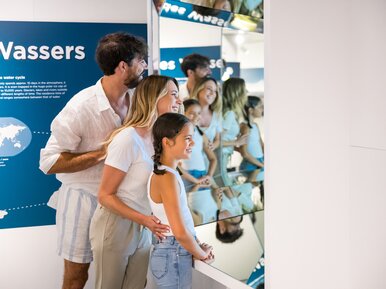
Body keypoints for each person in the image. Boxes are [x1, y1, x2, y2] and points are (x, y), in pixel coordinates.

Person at [39, 32, 148, 289]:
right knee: (77, 277)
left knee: (122, 277)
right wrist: (103, 152)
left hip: (124, 202)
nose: (144, 66)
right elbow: (48, 162)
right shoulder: (81, 107)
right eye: (141, 61)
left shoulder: (138, 102)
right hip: (83, 201)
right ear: (123, 67)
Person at [89, 75, 182, 289]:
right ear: (154, 97)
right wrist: (143, 219)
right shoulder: (127, 139)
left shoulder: (160, 141)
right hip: (116, 224)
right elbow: (105, 195)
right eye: (174, 95)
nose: (179, 101)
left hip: (144, 225)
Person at [148, 112, 215, 289]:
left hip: (174, 252)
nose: (192, 143)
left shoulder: (167, 173)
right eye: (187, 138)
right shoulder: (166, 177)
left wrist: (196, 244)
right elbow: (178, 231)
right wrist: (202, 254)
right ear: (167, 141)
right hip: (173, 254)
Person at [180, 99, 218, 191]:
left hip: (202, 175)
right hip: (186, 176)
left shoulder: (201, 134)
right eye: (192, 113)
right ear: (182, 113)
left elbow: (213, 159)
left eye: (199, 113)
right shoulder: (178, 134)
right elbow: (176, 166)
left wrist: (209, 176)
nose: (197, 116)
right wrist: (196, 181)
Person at [221, 77, 249, 186]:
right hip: (221, 156)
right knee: (225, 186)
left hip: (224, 155)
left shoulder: (229, 112)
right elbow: (215, 141)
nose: (246, 92)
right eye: (244, 90)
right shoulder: (229, 114)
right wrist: (237, 142)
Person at [190, 76, 222, 152]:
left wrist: (213, 145)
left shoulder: (217, 115)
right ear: (198, 89)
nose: (212, 93)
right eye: (209, 89)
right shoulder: (187, 111)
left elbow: (217, 139)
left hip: (209, 161)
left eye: (215, 91)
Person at [239, 96, 264, 184]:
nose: (262, 109)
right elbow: (244, 153)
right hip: (251, 164)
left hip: (260, 161)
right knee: (249, 186)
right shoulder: (245, 127)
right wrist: (262, 165)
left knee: (255, 185)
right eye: (260, 106)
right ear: (250, 110)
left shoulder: (255, 125)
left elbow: (261, 144)